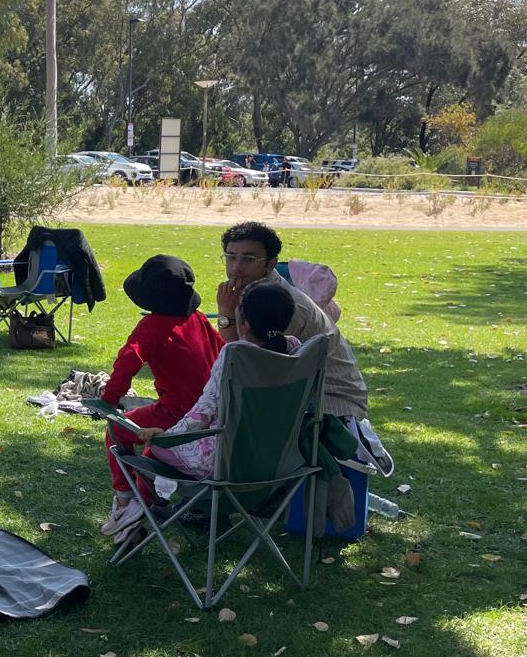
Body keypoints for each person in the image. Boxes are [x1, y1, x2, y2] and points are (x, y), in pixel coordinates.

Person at [101, 254, 224, 538]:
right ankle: (144, 504)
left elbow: (129, 359)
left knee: (116, 430)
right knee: (151, 446)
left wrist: (109, 399)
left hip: (179, 411)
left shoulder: (153, 327)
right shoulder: (198, 318)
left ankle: (124, 500)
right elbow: (222, 350)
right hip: (211, 411)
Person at [129, 278, 301, 481]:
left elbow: (204, 410)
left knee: (157, 447)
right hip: (279, 456)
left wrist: (166, 436)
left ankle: (163, 498)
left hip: (228, 461)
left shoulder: (236, 355)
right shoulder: (295, 349)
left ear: (244, 323)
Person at [214, 221, 367, 421]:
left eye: (248, 259)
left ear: (270, 264)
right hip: (298, 393)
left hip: (332, 403)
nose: (237, 268)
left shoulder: (281, 305)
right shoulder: (249, 293)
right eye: (231, 257)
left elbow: (251, 367)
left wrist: (226, 315)